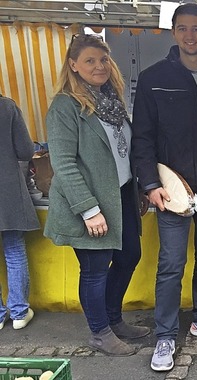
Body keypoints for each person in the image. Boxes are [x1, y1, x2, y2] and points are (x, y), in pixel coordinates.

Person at [131, 3, 197, 372]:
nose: (190, 35)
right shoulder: (153, 78)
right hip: (170, 188)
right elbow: (142, 138)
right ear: (173, 32)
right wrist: (149, 184)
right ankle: (164, 334)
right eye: (183, 28)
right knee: (171, 263)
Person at [44, 34, 150, 356]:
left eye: (103, 59)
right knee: (94, 269)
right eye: (90, 60)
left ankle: (113, 319)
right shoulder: (65, 106)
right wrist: (89, 210)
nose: (99, 66)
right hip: (90, 202)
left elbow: (123, 152)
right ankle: (100, 332)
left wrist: (138, 188)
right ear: (73, 65)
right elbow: (62, 163)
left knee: (130, 255)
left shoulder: (111, 101)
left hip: (120, 196)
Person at [0, 94, 39, 331]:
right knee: (14, 249)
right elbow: (26, 150)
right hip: (7, 192)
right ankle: (19, 313)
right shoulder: (6, 107)